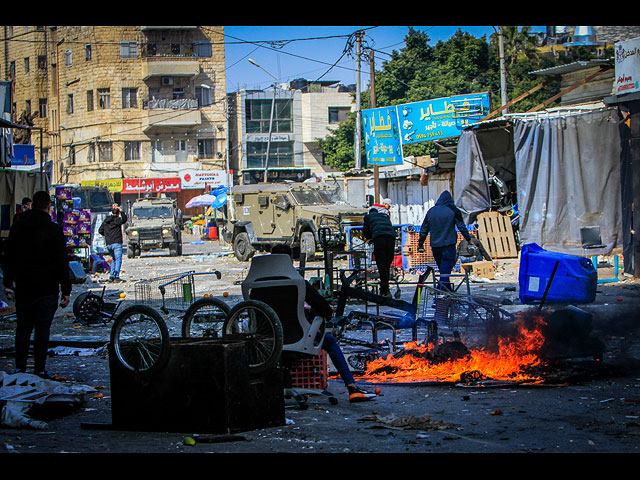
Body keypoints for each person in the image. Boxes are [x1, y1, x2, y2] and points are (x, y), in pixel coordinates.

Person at [270, 244, 376, 403]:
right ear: (291, 262)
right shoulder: (299, 284)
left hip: (268, 344)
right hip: (299, 340)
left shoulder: (256, 284)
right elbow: (326, 311)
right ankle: (352, 388)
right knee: (330, 341)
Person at [2, 191, 71, 378]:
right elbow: (61, 262)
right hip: (47, 287)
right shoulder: (53, 229)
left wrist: (8, 282)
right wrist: (66, 290)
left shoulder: (19, 227)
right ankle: (39, 368)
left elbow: (8, 257)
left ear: (32, 205)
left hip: (24, 286)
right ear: (48, 206)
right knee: (43, 329)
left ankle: (20, 368)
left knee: (23, 328)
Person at [417, 190, 472, 291]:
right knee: (445, 273)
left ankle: (448, 293)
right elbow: (461, 226)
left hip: (435, 247)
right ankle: (439, 292)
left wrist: (420, 244)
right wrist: (468, 239)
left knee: (443, 270)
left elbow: (424, 229)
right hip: (449, 245)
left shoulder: (431, 211)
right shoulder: (453, 210)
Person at [362, 200, 396, 297]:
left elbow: (366, 232)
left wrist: (368, 238)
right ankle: (385, 289)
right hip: (390, 237)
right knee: (387, 263)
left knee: (381, 264)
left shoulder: (368, 217)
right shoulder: (385, 216)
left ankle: (384, 290)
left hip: (379, 238)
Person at [99, 203, 128, 282]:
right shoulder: (117, 220)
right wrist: (122, 211)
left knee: (114, 259)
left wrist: (107, 235)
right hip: (117, 242)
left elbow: (100, 230)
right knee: (118, 259)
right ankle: (117, 276)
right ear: (118, 213)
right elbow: (124, 219)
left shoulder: (106, 221)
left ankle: (111, 275)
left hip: (108, 243)